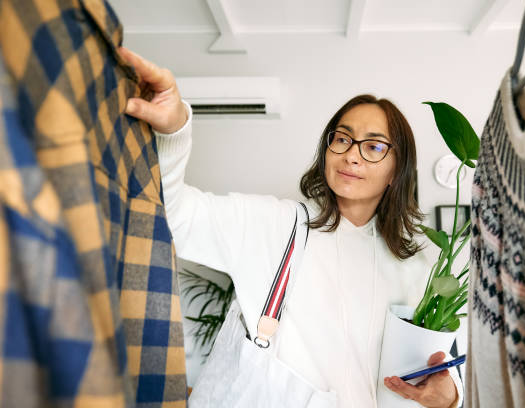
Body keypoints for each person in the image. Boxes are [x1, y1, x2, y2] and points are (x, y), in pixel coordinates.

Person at [118, 46, 462, 408]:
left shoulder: (419, 264)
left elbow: (443, 365)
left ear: (396, 171)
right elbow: (176, 216)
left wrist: (452, 394)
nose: (351, 154)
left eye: (373, 146)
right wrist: (175, 132)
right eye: (342, 138)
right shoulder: (276, 225)